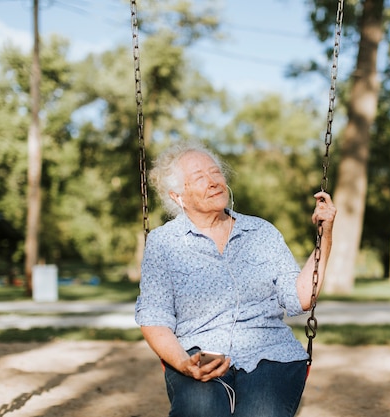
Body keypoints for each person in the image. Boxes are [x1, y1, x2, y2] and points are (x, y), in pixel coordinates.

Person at [135, 141, 336, 417]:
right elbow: (154, 317)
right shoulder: (164, 243)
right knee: (201, 411)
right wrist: (183, 363)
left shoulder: (261, 232)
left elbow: (300, 298)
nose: (213, 182)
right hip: (199, 352)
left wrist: (325, 237)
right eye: (199, 178)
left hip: (270, 353)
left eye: (215, 172)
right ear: (177, 196)